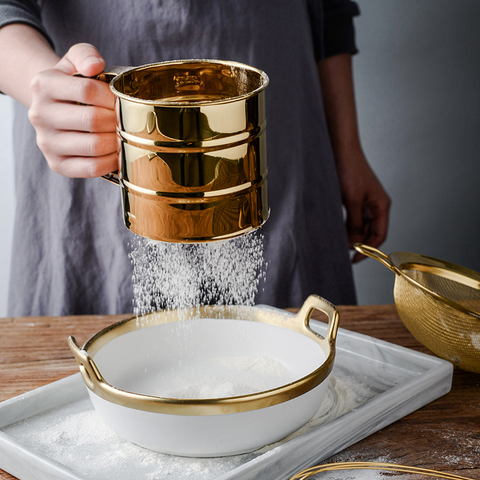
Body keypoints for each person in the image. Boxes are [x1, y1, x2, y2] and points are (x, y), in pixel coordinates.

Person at [0, 0, 390, 316]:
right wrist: (47, 86)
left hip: (284, 147)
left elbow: (329, 9)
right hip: (92, 152)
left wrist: (348, 149)